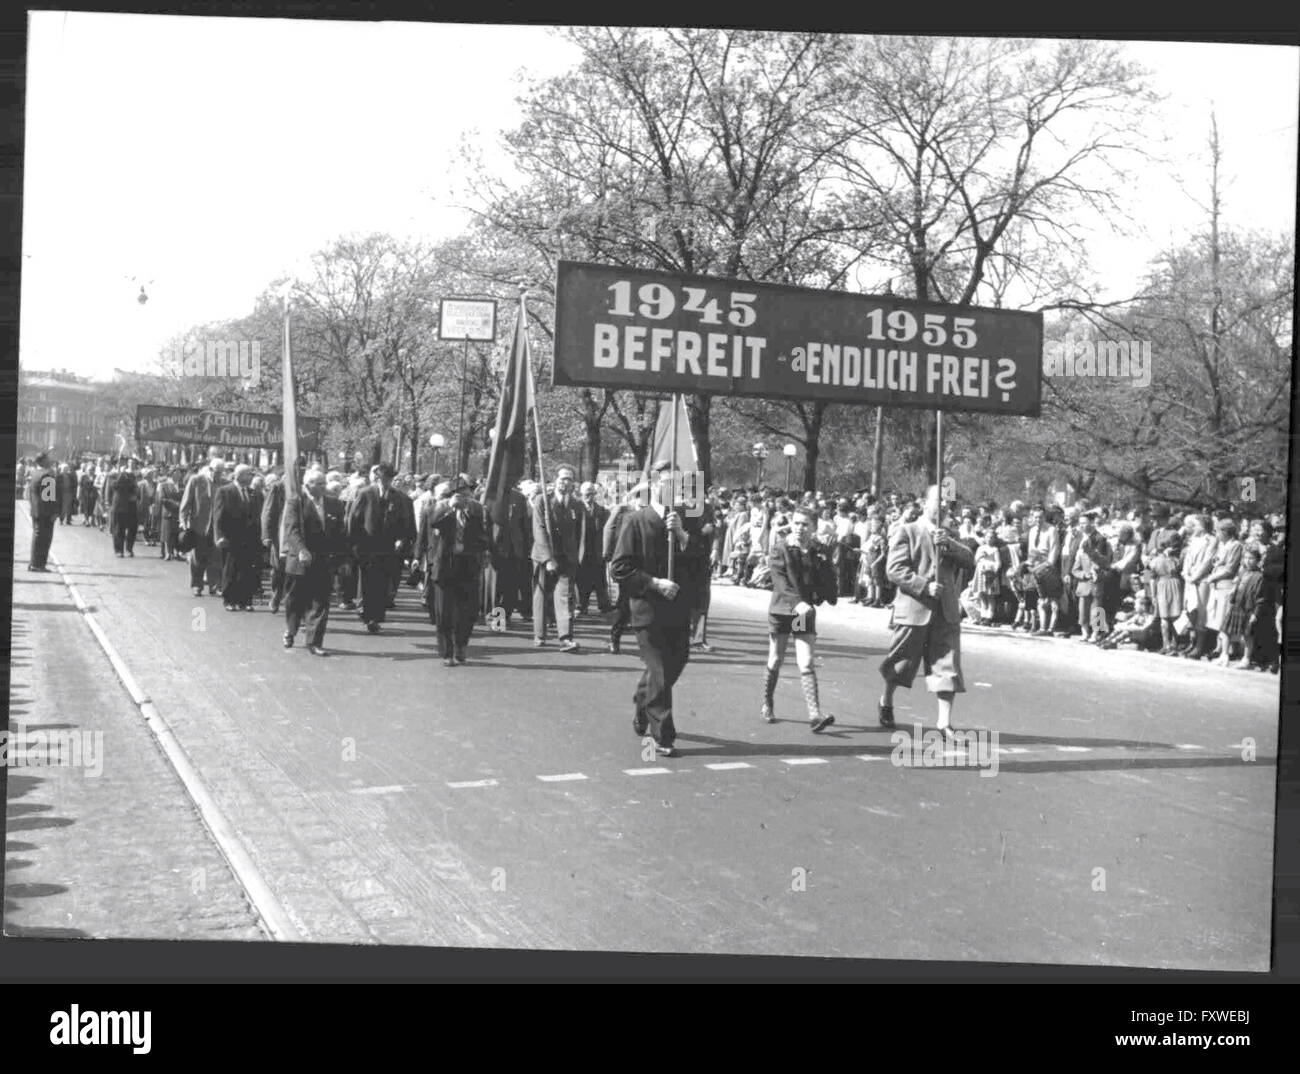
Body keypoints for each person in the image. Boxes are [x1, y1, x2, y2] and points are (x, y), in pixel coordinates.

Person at [610, 462, 699, 757]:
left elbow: (700, 566)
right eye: (667, 483)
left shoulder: (684, 520)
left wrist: (684, 538)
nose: (672, 489)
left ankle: (641, 701)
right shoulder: (635, 521)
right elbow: (620, 568)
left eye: (678, 484)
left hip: (677, 610)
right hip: (648, 610)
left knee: (677, 663)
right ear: (655, 486)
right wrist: (654, 583)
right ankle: (663, 736)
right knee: (659, 671)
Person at [878, 485, 975, 739]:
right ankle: (886, 700)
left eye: (947, 503)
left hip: (945, 612)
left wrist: (951, 545)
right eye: (938, 501)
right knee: (901, 663)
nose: (943, 507)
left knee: (947, 666)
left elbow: (969, 559)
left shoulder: (950, 535)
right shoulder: (907, 531)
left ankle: (944, 723)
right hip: (914, 610)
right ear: (924, 503)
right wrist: (923, 585)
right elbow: (894, 569)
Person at [761, 504, 837, 732]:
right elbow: (781, 583)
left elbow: (828, 585)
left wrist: (826, 561)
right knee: (776, 659)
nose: (800, 528)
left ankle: (815, 715)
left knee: (806, 661)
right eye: (796, 523)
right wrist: (799, 603)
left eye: (805, 524)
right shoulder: (780, 548)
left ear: (814, 527)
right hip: (783, 610)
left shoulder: (817, 550)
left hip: (802, 614)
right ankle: (767, 701)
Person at [416, 474, 488, 666]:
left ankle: (461, 645)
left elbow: (483, 535)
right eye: (461, 495)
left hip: (468, 566)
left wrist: (479, 547)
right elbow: (433, 524)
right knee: (444, 612)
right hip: (445, 566)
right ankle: (447, 651)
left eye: (468, 495)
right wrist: (450, 508)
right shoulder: (437, 508)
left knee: (469, 610)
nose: (465, 499)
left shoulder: (476, 510)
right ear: (451, 495)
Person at [281, 468, 344, 656]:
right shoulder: (296, 502)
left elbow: (340, 532)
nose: (324, 486)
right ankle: (291, 630)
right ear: (308, 485)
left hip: (324, 560)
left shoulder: (334, 504)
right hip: (301, 560)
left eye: (324, 482)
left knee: (321, 602)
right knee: (296, 600)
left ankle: (314, 641)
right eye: (319, 483)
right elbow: (291, 530)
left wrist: (341, 556)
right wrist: (301, 550)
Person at [348, 463, 416, 634]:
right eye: (383, 479)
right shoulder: (366, 494)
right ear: (377, 478)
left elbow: (406, 523)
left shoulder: (398, 497)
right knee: (367, 581)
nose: (386, 482)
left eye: (389, 479)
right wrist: (354, 544)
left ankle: (376, 617)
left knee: (382, 583)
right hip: (367, 545)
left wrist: (402, 539)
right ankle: (366, 612)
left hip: (388, 547)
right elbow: (354, 519)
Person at [530, 465, 584, 652]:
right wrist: (547, 558)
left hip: (566, 558)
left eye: (569, 479)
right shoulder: (542, 501)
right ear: (555, 481)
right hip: (544, 556)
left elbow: (579, 533)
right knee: (541, 595)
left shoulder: (576, 505)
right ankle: (539, 634)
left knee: (564, 597)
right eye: (562, 478)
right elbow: (539, 530)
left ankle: (565, 637)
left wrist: (577, 556)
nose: (565, 482)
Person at [212, 463, 261, 611]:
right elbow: (218, 515)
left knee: (247, 569)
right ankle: (229, 600)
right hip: (231, 536)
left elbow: (258, 516)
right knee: (231, 569)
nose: (250, 477)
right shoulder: (225, 491)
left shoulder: (254, 493)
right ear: (239, 475)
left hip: (250, 538)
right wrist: (219, 536)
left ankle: (245, 600)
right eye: (248, 474)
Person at [180, 458, 225, 596]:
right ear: (210, 469)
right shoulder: (196, 481)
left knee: (216, 557)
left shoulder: (223, 483)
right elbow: (186, 501)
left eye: (221, 472)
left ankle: (214, 585)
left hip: (217, 527)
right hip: (199, 525)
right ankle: (197, 585)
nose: (219, 475)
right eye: (217, 472)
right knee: (198, 558)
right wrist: (183, 520)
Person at [575, 481, 611, 617]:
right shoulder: (576, 509)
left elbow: (608, 532)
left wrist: (607, 550)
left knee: (600, 579)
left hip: (597, 550)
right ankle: (581, 605)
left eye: (591, 493)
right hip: (581, 551)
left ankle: (604, 606)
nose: (589, 496)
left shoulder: (602, 511)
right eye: (586, 494)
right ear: (581, 494)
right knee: (581, 580)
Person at [262, 471, 289, 614]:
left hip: (295, 533)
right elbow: (268, 511)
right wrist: (266, 534)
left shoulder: (301, 489)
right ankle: (276, 596)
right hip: (279, 533)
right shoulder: (277, 488)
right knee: (278, 569)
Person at [26, 452, 58, 571]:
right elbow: (49, 497)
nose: (50, 460)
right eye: (48, 458)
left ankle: (34, 563)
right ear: (43, 460)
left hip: (36, 510)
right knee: (44, 539)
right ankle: (38, 564)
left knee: (37, 537)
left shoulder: (35, 473)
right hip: (45, 513)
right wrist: (54, 512)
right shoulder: (47, 475)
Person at [109, 460, 141, 557]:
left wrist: (135, 495)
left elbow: (135, 490)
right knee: (119, 529)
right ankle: (119, 550)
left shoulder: (133, 478)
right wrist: (119, 476)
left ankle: (129, 549)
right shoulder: (114, 476)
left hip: (131, 507)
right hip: (119, 507)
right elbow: (114, 486)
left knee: (132, 529)